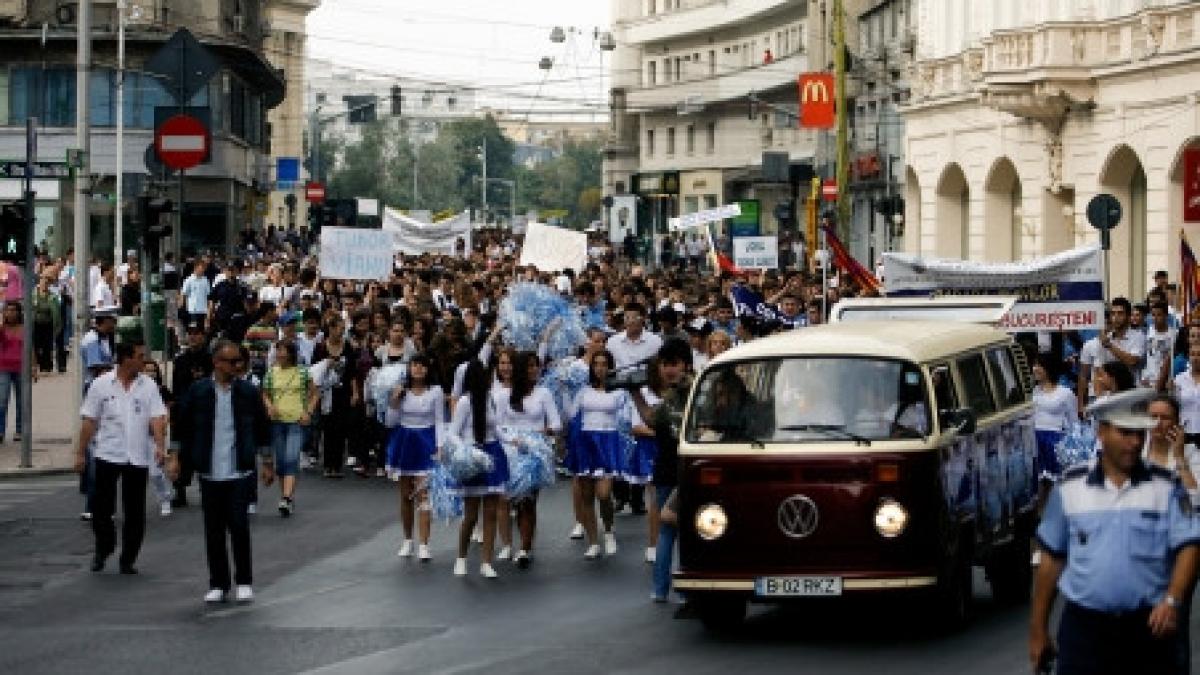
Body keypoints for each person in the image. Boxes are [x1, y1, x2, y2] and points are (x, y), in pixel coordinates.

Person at [1030, 388, 1200, 675]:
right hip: (1085, 631)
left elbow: (1189, 546)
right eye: (1125, 432)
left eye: (1139, 434)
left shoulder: (1167, 487)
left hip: (1148, 630)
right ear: (1102, 432)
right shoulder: (1071, 488)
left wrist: (1173, 600)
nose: (1135, 442)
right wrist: (1038, 629)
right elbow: (1050, 559)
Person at [174, 340, 271, 604]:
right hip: (209, 470)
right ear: (217, 363)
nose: (237, 366)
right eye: (231, 362)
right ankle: (218, 582)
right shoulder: (198, 391)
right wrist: (175, 458)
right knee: (213, 530)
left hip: (239, 470)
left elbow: (262, 427)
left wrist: (267, 461)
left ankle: (244, 581)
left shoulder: (249, 392)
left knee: (239, 526)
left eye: (239, 361)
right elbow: (182, 426)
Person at [72, 341, 169, 574]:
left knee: (135, 511)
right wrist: (80, 453)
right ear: (125, 359)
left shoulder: (149, 386)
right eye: (138, 356)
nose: (143, 361)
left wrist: (159, 445)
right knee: (101, 507)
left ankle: (128, 558)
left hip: (137, 455)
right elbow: (89, 421)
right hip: (108, 453)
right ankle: (104, 546)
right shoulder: (101, 385)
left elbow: (157, 417)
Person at [628, 338, 693, 603]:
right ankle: (662, 588)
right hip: (667, 468)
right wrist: (634, 393)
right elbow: (652, 420)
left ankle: (681, 587)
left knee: (684, 529)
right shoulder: (669, 397)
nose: (669, 369)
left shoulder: (698, 390)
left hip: (691, 470)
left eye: (674, 364)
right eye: (665, 364)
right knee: (668, 530)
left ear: (686, 365)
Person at [494, 351, 562, 568]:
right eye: (530, 366)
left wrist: (544, 432)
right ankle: (508, 544)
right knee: (508, 501)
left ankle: (525, 547)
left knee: (528, 502)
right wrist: (511, 440)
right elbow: (496, 425)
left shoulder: (544, 393)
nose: (534, 370)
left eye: (537, 366)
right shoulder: (506, 394)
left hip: (535, 453)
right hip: (511, 451)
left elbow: (557, 423)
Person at [449, 359, 510, 579]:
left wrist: (512, 441)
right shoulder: (465, 402)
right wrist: (468, 451)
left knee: (491, 512)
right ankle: (461, 557)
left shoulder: (489, 398)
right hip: (473, 457)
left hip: (492, 454)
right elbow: (453, 433)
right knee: (471, 514)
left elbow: (496, 428)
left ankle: (486, 562)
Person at [565, 349, 626, 559]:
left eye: (604, 364)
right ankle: (593, 542)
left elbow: (625, 419)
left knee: (604, 494)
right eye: (596, 364)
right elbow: (571, 415)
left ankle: (608, 530)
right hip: (585, 443)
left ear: (610, 366)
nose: (600, 368)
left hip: (608, 443)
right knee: (587, 496)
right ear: (591, 367)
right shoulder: (582, 391)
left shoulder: (619, 392)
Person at [386, 354, 444, 562]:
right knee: (405, 495)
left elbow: (439, 420)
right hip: (404, 443)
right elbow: (390, 422)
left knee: (423, 496)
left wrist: (440, 447)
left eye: (422, 365)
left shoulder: (435, 392)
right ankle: (407, 540)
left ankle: (424, 544)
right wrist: (394, 400)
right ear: (409, 369)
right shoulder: (401, 391)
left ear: (428, 369)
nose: (418, 369)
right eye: (414, 365)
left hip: (426, 443)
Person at [262, 340, 318, 517]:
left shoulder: (302, 372)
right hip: (277, 422)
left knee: (291, 458)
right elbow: (264, 392)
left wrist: (308, 411)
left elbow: (315, 392)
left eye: (283, 351)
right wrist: (269, 406)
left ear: (291, 353)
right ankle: (285, 496)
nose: (279, 355)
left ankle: (286, 497)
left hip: (296, 421)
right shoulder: (271, 372)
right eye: (277, 351)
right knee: (281, 461)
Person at [312, 315, 359, 478]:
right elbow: (314, 372)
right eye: (339, 328)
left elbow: (352, 373)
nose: (342, 331)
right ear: (331, 328)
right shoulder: (320, 348)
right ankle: (328, 464)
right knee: (328, 427)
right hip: (325, 393)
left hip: (343, 392)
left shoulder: (348, 347)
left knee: (340, 428)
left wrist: (355, 392)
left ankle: (337, 465)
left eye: (343, 328)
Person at [143, 359, 176, 517]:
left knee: (156, 472)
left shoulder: (162, 390)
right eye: (147, 370)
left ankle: (165, 498)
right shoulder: (138, 389)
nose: (150, 373)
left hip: (158, 433)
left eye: (152, 370)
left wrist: (162, 427)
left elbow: (168, 409)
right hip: (141, 435)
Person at [0, 302, 31, 443]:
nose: (11, 313)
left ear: (19, 313)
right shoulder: (2, 328)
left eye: (14, 310)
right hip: (3, 368)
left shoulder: (24, 328)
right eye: (8, 310)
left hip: (21, 368)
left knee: (22, 401)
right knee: (2, 400)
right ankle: (0, 431)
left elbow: (30, 347)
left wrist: (34, 367)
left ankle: (19, 431)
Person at [31, 275, 61, 373]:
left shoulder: (52, 296)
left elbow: (55, 311)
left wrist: (57, 326)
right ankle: (37, 364)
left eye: (46, 283)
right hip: (36, 324)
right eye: (42, 282)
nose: (44, 285)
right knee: (36, 345)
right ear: (39, 283)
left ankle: (47, 366)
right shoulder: (34, 295)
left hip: (48, 324)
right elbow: (31, 308)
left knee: (47, 346)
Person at [180, 263, 212, 332]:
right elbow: (183, 294)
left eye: (203, 270)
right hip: (192, 310)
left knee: (201, 331)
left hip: (203, 310)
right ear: (195, 269)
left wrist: (209, 309)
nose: (202, 271)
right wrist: (182, 306)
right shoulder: (189, 280)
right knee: (193, 331)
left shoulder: (205, 280)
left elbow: (208, 295)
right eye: (200, 269)